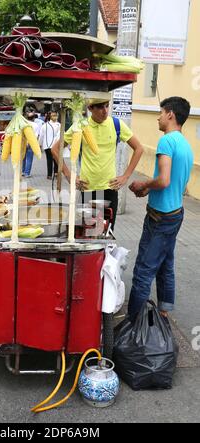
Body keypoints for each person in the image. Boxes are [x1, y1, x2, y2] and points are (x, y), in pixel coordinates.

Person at [128, 97, 194, 320]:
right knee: (166, 263)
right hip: (175, 213)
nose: (158, 116)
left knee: (143, 271)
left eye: (161, 112)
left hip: (160, 218)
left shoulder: (166, 141)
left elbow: (164, 180)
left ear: (170, 115)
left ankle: (133, 326)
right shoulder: (185, 144)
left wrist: (143, 184)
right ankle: (164, 311)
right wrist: (150, 190)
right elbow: (177, 183)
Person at [51, 96, 144, 229]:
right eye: (100, 107)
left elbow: (139, 148)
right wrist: (69, 176)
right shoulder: (80, 127)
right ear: (90, 109)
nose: (105, 111)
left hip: (110, 188)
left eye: (107, 105)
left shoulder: (116, 124)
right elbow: (55, 149)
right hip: (88, 188)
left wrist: (125, 176)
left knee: (107, 232)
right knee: (88, 233)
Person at [39, 111, 61, 180]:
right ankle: (49, 175)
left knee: (56, 159)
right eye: (53, 115)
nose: (55, 117)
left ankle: (56, 173)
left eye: (56, 115)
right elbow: (41, 136)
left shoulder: (59, 125)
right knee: (49, 160)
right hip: (47, 145)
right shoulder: (44, 125)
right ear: (50, 117)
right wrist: (40, 144)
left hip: (56, 145)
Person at [22, 112, 40, 178]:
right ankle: (27, 173)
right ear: (34, 118)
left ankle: (23, 171)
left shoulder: (24, 124)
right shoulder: (36, 125)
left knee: (23, 158)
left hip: (23, 143)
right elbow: (36, 136)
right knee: (29, 158)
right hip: (31, 143)